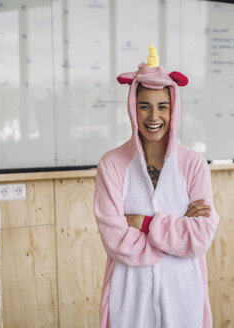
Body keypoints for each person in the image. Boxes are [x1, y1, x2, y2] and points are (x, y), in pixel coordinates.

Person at [94, 45, 220, 328]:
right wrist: (178, 233)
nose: (154, 117)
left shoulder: (194, 164)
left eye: (162, 106)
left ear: (173, 109)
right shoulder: (112, 165)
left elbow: (200, 239)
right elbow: (117, 242)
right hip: (130, 292)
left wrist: (146, 225)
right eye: (144, 106)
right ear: (132, 109)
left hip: (183, 290)